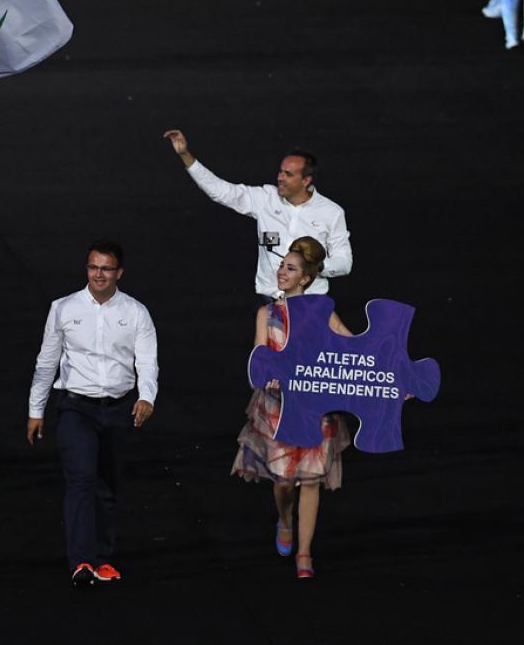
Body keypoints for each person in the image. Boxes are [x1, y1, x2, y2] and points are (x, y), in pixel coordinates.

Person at [27, 241, 158, 586]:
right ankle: (82, 560)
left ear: (119, 273)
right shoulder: (63, 308)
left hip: (118, 409)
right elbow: (46, 362)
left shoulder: (136, 313)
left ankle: (102, 558)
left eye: (106, 269)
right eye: (93, 267)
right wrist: (35, 410)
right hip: (76, 407)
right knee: (81, 479)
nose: (98, 274)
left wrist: (147, 397)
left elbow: (147, 361)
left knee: (107, 485)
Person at [231, 237, 352, 579]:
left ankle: (304, 552)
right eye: (282, 265)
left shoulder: (321, 312)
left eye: (290, 268)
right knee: (284, 482)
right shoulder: (266, 313)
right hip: (277, 411)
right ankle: (285, 518)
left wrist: (392, 383)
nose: (282, 271)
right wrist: (267, 375)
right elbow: (260, 354)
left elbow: (356, 352)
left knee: (311, 480)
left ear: (305, 278)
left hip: (314, 409)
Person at [163, 130, 352, 300]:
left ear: (306, 180)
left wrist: (313, 267)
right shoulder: (265, 198)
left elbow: (344, 262)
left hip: (311, 303)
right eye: (280, 171)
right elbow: (221, 192)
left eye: (288, 174)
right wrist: (186, 156)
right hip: (270, 301)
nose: (280, 177)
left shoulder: (331, 212)